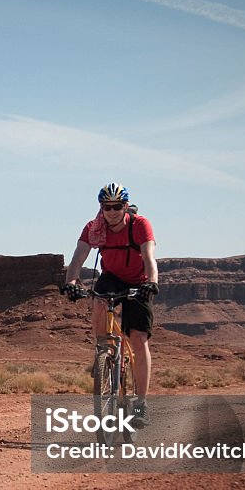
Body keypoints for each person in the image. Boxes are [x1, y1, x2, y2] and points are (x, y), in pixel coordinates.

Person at [61, 183, 159, 426]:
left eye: (117, 206)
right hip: (112, 277)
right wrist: (71, 282)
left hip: (139, 280)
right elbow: (78, 257)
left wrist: (152, 282)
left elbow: (149, 258)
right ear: (101, 208)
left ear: (125, 206)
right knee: (98, 301)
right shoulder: (95, 229)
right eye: (107, 207)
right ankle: (103, 351)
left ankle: (141, 404)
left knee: (138, 339)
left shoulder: (139, 225)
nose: (112, 211)